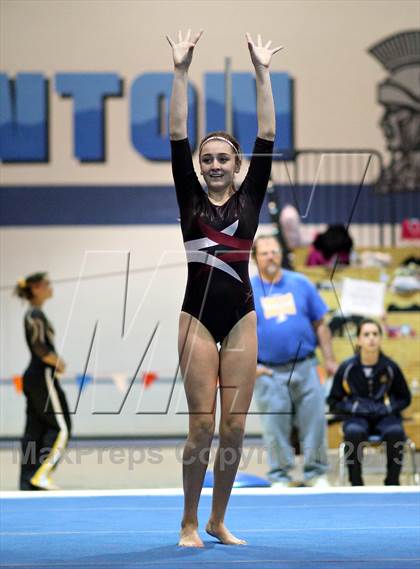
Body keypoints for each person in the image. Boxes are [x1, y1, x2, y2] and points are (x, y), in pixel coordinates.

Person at [167, 29, 281, 547]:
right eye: (207, 158)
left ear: (238, 167)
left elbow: (267, 135)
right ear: (199, 167)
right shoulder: (189, 199)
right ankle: (189, 521)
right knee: (202, 428)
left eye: (223, 159)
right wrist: (181, 72)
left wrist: (262, 74)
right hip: (196, 318)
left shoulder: (251, 201)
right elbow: (177, 134)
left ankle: (217, 519)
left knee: (234, 429)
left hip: (240, 318)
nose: (214, 164)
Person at [251, 235, 338, 486]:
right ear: (255, 257)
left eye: (274, 252)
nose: (270, 257)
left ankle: (317, 473)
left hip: (306, 365)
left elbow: (320, 324)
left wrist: (329, 359)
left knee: (314, 421)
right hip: (269, 371)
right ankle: (279, 475)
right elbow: (237, 333)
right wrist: (252, 367)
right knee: (275, 426)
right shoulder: (247, 289)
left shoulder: (301, 283)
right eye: (265, 252)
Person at [328, 318, 411, 486]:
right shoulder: (347, 367)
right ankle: (356, 483)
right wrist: (353, 407)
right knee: (353, 432)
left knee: (395, 431)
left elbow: (405, 398)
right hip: (357, 417)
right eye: (366, 334)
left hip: (384, 416)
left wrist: (388, 408)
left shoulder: (390, 367)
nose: (371, 338)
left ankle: (392, 482)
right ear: (358, 339)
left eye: (375, 334)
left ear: (380, 338)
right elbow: (333, 400)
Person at [14, 272, 71, 490]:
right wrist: (58, 362)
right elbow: (39, 347)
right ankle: (42, 474)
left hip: (34, 376)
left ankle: (27, 481)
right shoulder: (35, 314)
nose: (51, 287)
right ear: (36, 288)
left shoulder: (34, 314)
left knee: (34, 430)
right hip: (42, 375)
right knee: (61, 428)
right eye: (47, 284)